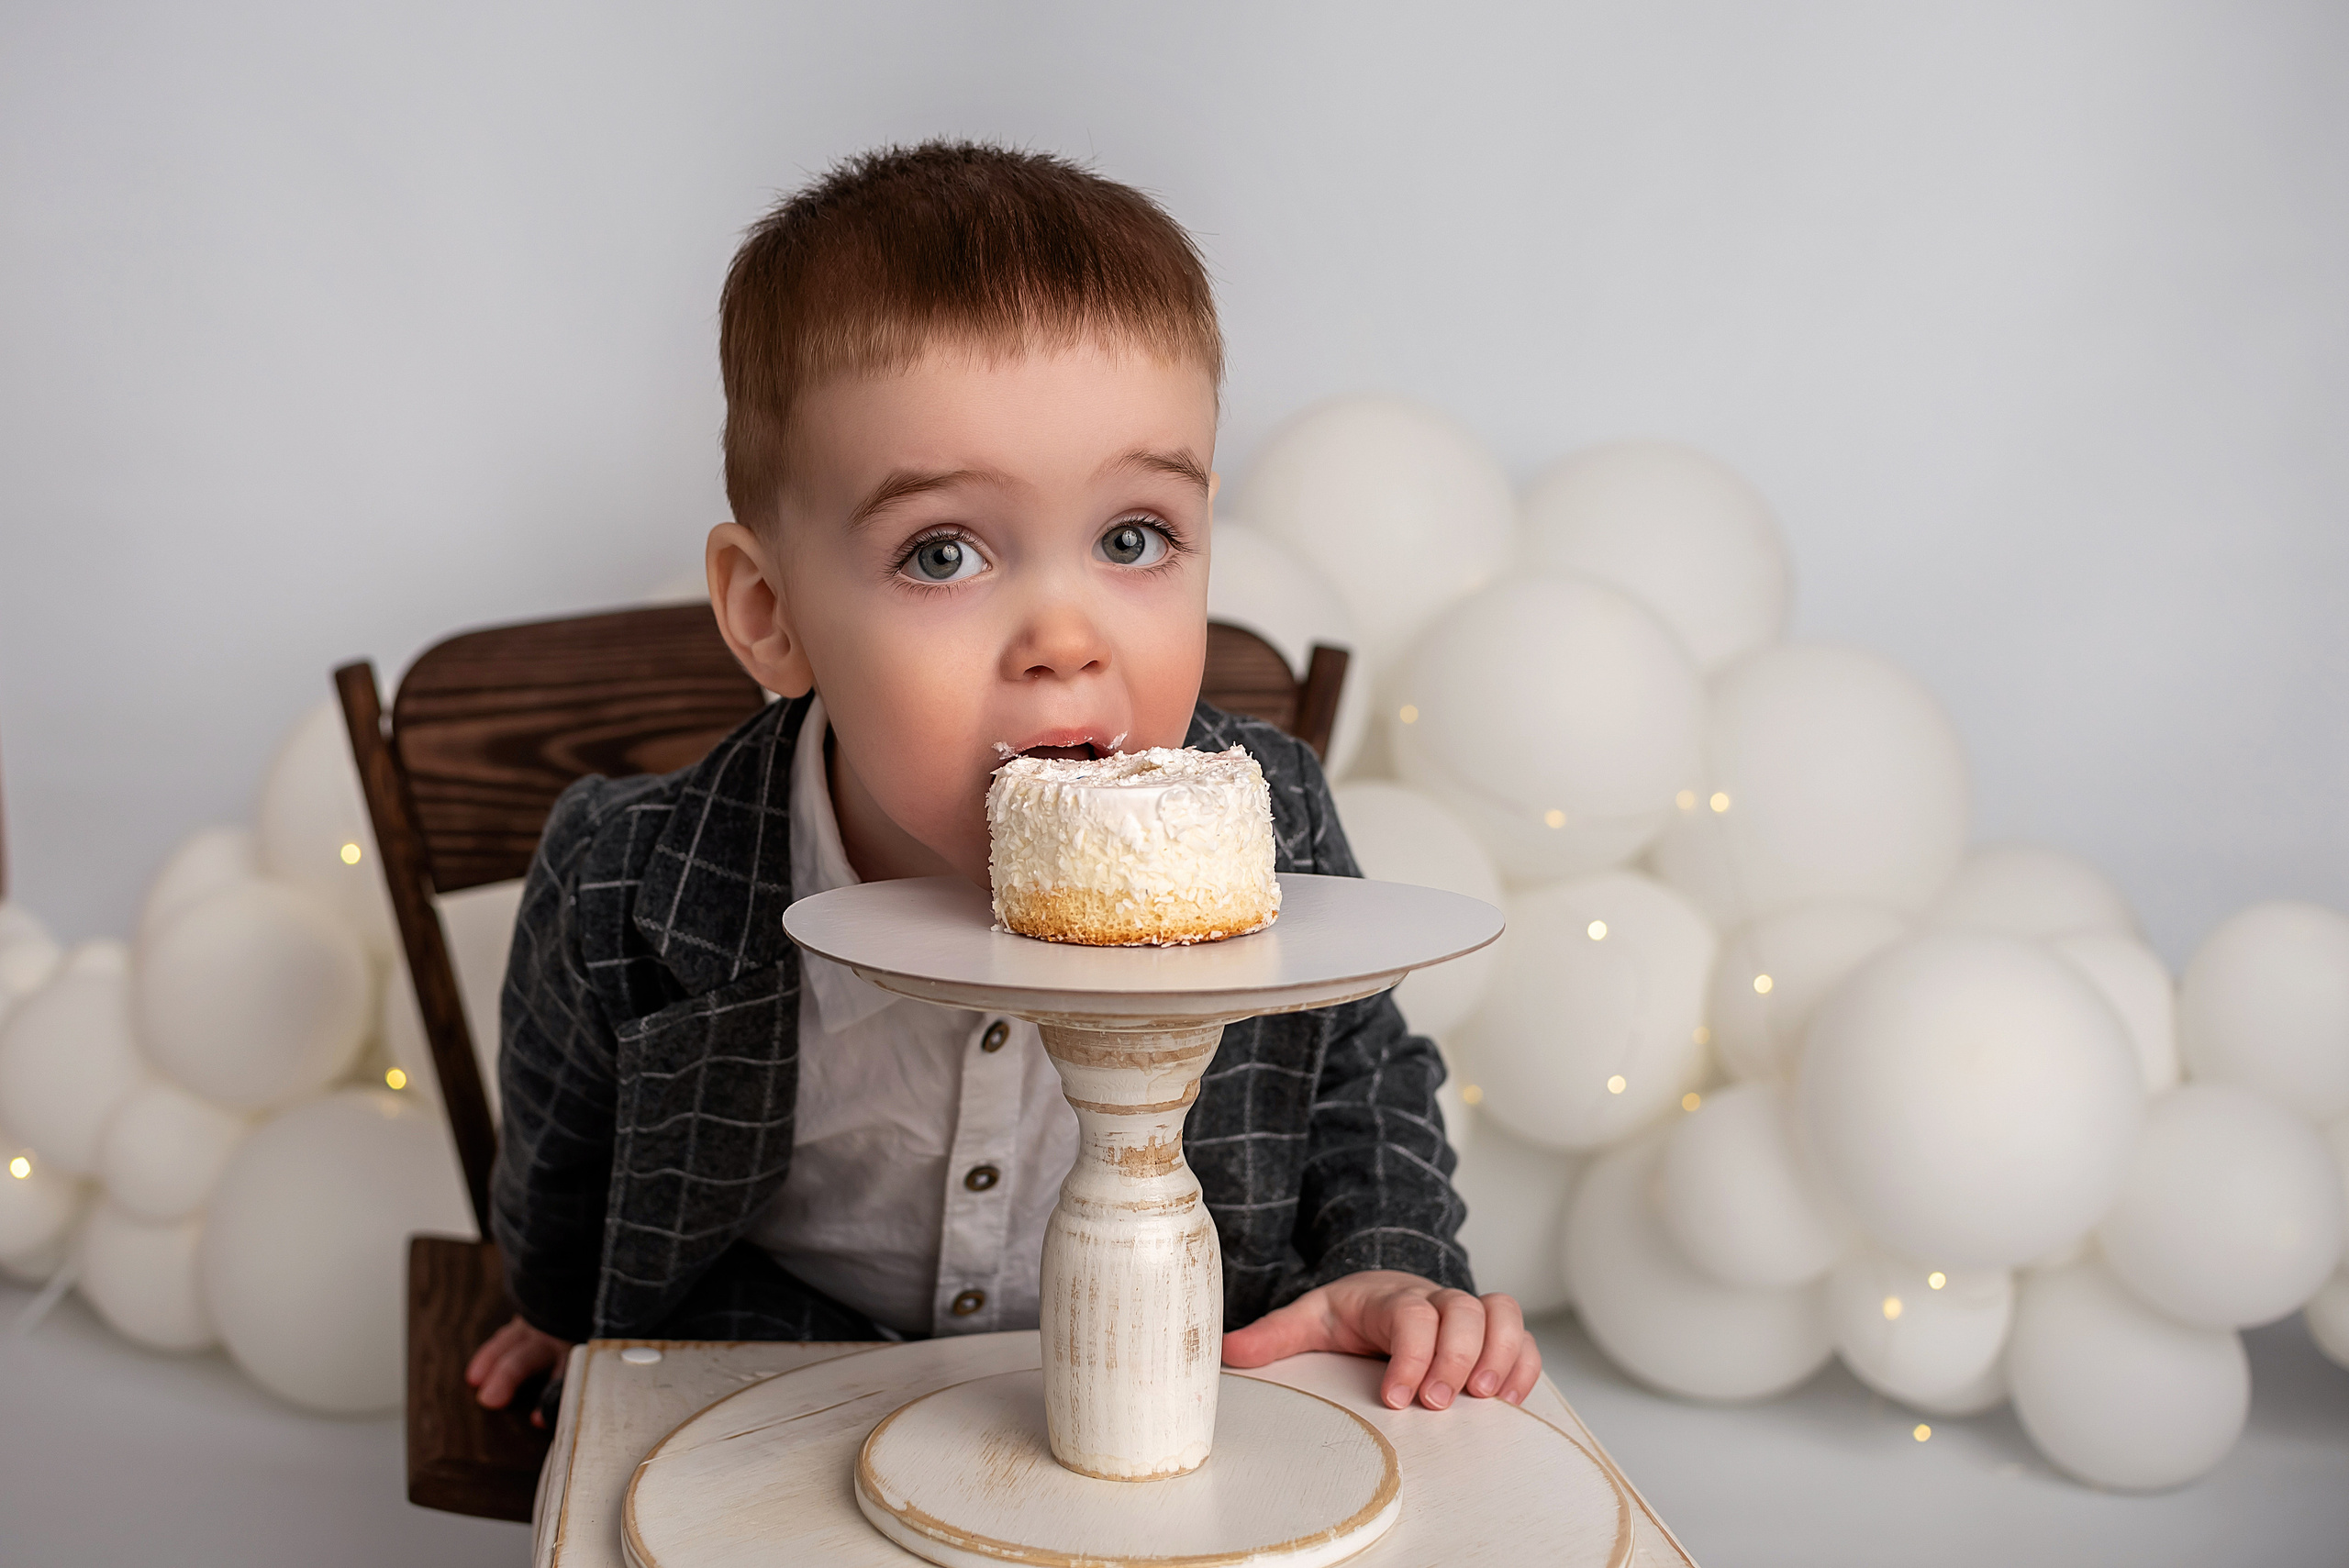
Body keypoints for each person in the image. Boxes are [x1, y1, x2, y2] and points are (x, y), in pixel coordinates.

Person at [467, 140, 1539, 1427]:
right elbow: (567, 1179)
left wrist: (1391, 1256)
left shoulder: (1277, 811)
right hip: (791, 1375)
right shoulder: (624, 893)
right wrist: (564, 1301)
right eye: (943, 551)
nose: (1066, 637)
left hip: (1167, 1378)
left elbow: (1360, 1070)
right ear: (770, 611)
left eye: (1133, 537)